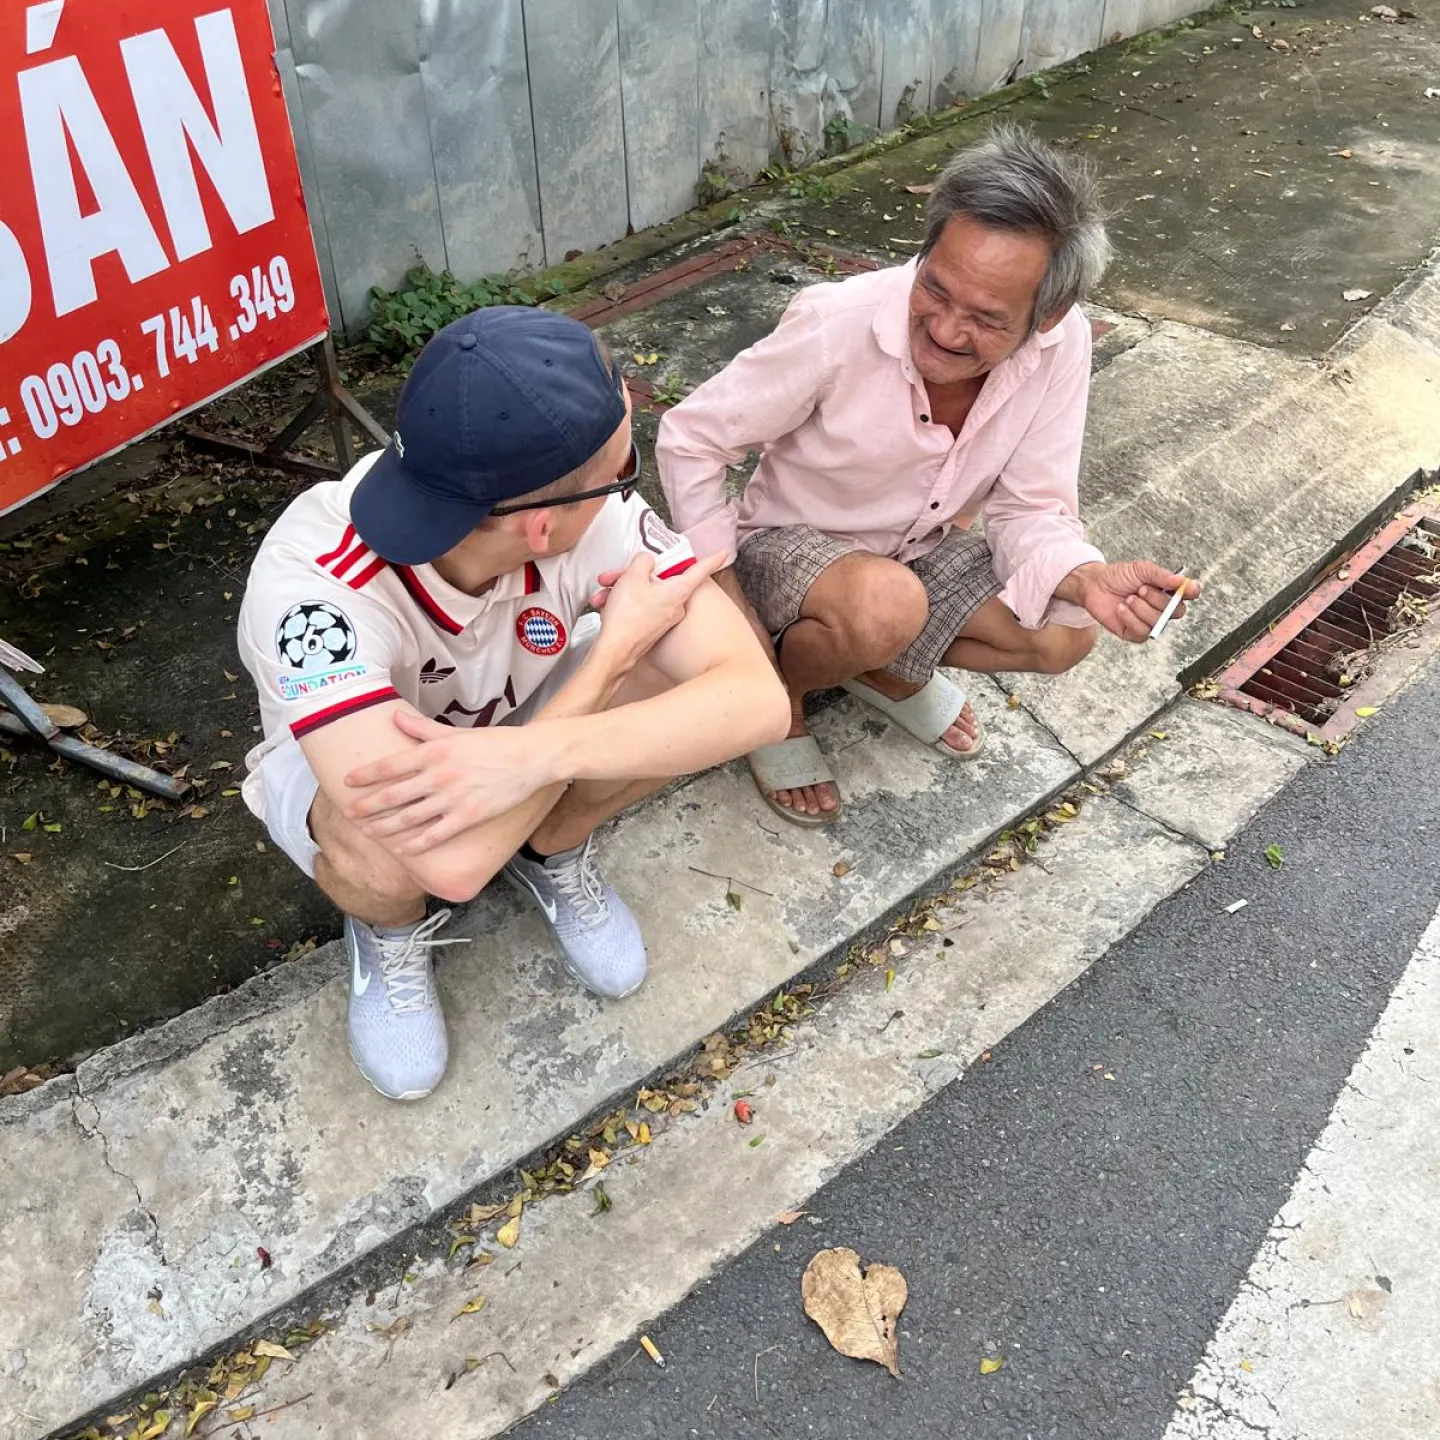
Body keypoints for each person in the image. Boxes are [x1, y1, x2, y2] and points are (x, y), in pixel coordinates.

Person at [236, 308, 789, 1101]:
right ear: (542, 524)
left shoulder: (584, 518)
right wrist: (606, 665)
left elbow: (755, 702)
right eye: (625, 468)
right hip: (357, 765)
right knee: (383, 851)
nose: (633, 489)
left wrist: (533, 754)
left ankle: (549, 847)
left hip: (513, 719)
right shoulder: (313, 598)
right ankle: (388, 929)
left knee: (681, 692)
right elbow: (450, 863)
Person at [658, 125, 1200, 827]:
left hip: (916, 551)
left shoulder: (1061, 346)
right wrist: (725, 597)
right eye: (935, 290)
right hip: (786, 547)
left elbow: (1032, 506)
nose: (944, 330)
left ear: (1049, 314)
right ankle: (775, 697)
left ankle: (878, 667)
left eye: (985, 318)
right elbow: (691, 436)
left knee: (1064, 634)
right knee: (886, 607)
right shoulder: (837, 324)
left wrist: (1086, 579)